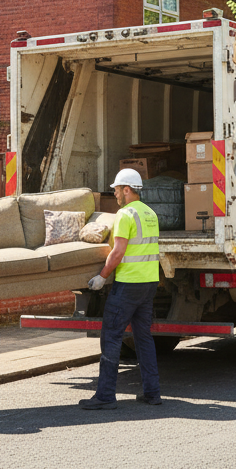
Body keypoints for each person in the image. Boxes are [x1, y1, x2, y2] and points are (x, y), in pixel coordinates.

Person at [80, 168, 162, 410]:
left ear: (127, 190)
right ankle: (152, 393)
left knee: (111, 337)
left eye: (116, 189)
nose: (114, 193)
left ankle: (105, 396)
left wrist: (101, 277)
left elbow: (118, 252)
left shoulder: (125, 215)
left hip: (128, 285)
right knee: (144, 338)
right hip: (148, 285)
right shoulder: (151, 214)